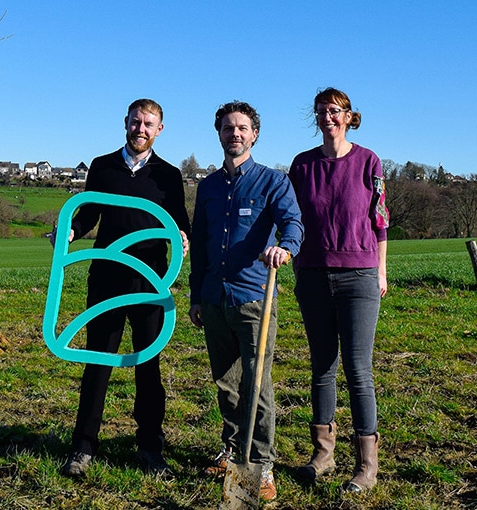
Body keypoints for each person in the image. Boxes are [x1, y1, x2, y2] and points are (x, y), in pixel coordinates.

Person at [57, 98, 191, 480]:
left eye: (149, 124)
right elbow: (87, 215)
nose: (141, 129)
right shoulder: (102, 166)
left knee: (148, 366)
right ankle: (82, 447)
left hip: (151, 282)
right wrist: (69, 232)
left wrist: (183, 236)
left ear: (160, 129)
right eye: (136, 122)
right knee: (97, 364)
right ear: (125, 123)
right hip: (107, 279)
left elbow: (178, 220)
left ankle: (150, 448)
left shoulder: (169, 175)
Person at [188, 101, 303, 502]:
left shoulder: (273, 182)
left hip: (255, 297)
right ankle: (232, 449)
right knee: (227, 383)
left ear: (254, 134)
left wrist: (285, 247)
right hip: (214, 297)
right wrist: (195, 296)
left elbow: (293, 222)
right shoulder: (207, 187)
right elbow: (201, 244)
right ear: (218, 133)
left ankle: (262, 464)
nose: (234, 133)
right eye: (227, 128)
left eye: (241, 128)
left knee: (257, 385)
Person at [287, 87, 389, 493]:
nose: (327, 117)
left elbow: (380, 220)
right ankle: (323, 454)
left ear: (348, 116)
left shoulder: (369, 161)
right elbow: (289, 216)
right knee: (321, 366)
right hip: (312, 275)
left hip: (359, 276)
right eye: (321, 112)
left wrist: (380, 270)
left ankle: (367, 465)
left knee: (358, 369)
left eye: (334, 111)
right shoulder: (302, 165)